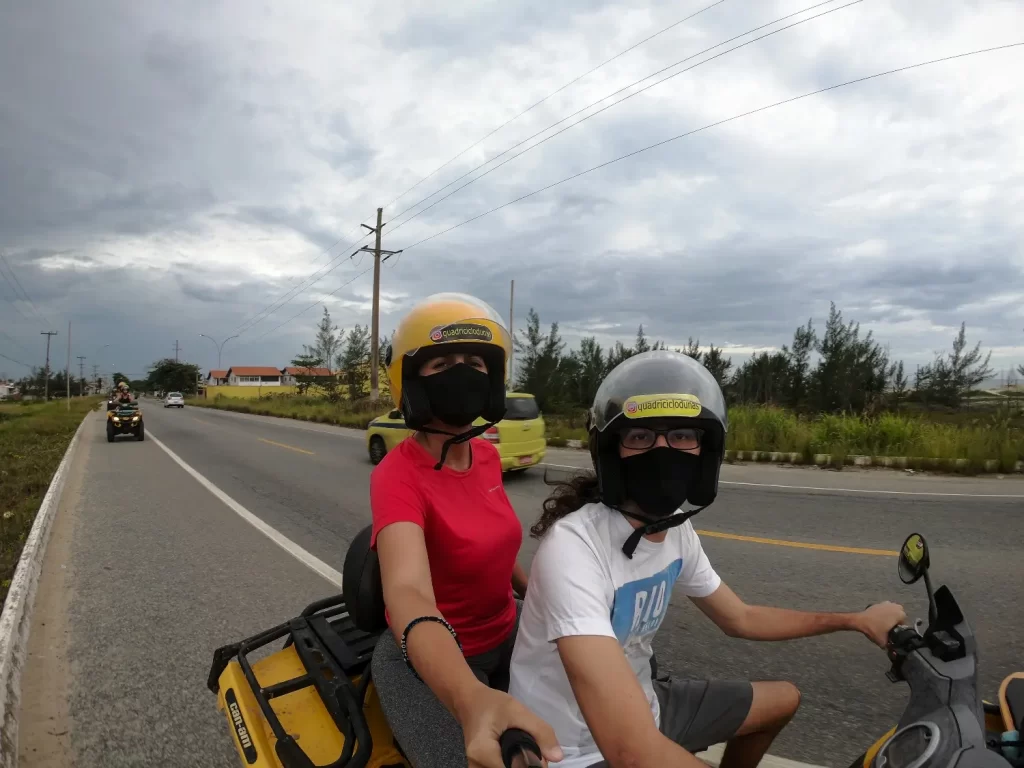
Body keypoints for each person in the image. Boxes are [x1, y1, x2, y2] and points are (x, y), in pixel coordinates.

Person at [508, 350, 907, 768]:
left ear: (704, 452)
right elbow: (630, 752)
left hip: (646, 707)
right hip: (573, 748)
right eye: (641, 436)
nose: (663, 450)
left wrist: (853, 620)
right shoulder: (574, 547)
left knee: (782, 700)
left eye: (682, 435)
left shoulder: (676, 529)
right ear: (612, 452)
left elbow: (741, 618)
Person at [369, 293, 560, 768]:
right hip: (433, 659)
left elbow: (492, 545)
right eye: (442, 364)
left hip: (510, 630)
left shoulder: (489, 457)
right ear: (410, 381)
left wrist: (536, 592)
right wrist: (469, 697)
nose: (463, 372)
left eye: (475, 362)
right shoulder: (397, 474)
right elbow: (408, 590)